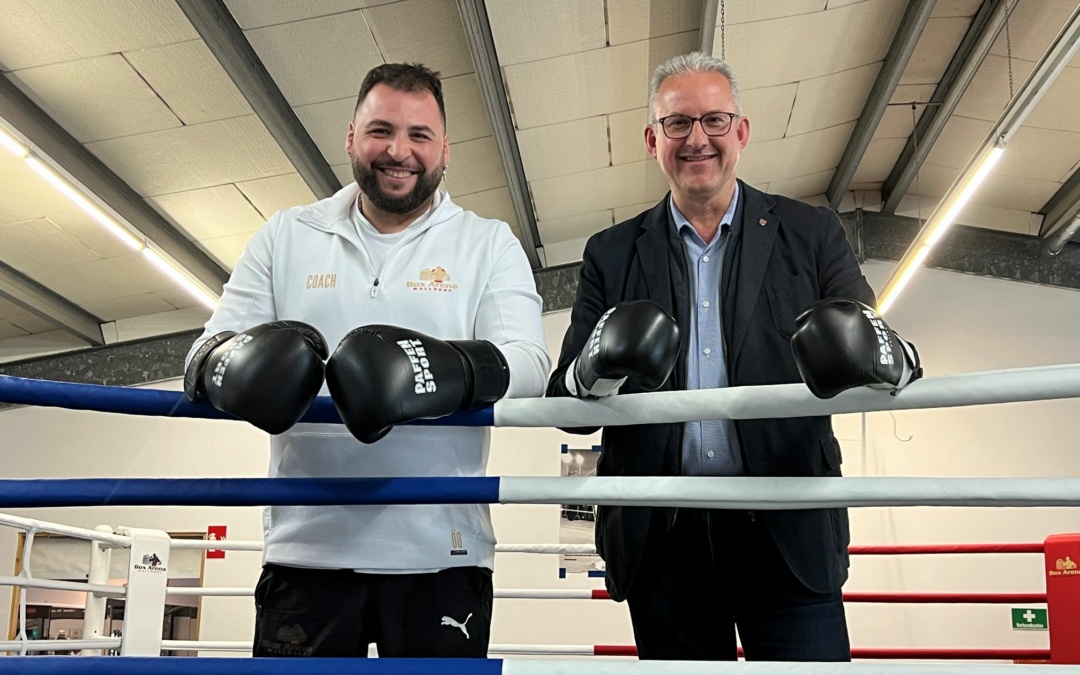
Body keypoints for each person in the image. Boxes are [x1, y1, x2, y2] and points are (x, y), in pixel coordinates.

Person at [546, 52, 921, 662]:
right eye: (678, 123)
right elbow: (568, 405)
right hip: (664, 542)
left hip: (786, 528)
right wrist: (599, 361)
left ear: (741, 132)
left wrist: (869, 352)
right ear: (652, 139)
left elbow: (887, 348)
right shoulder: (611, 254)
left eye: (714, 120)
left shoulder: (810, 233)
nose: (698, 139)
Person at [184, 62, 550, 658]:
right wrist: (242, 369)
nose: (399, 151)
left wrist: (434, 373)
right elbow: (205, 349)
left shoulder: (487, 242)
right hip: (307, 550)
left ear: (445, 149)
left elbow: (529, 363)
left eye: (419, 136)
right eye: (381, 131)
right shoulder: (286, 235)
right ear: (352, 136)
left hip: (441, 549)